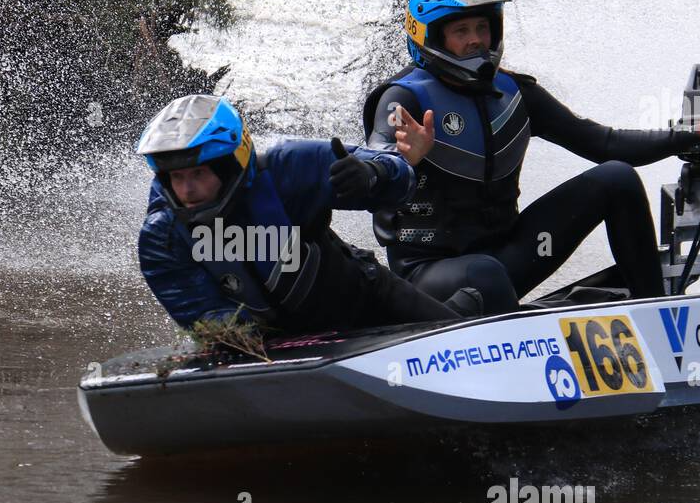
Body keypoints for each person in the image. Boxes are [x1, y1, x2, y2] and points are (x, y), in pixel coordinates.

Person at [363, 0, 700, 315]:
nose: (476, 39)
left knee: (616, 179)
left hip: (511, 257)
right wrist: (403, 161)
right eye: (461, 31)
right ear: (431, 37)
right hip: (431, 275)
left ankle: (657, 315)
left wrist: (695, 134)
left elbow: (603, 142)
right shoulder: (403, 100)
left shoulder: (514, 93)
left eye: (482, 27)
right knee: (485, 273)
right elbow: (368, 174)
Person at [136, 93, 483, 335]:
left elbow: (394, 172)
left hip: (365, 297)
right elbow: (200, 311)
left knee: (462, 337)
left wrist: (371, 175)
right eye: (177, 177)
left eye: (198, 174)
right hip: (277, 342)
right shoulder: (162, 236)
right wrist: (237, 342)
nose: (187, 190)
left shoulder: (287, 166)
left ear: (231, 165)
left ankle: (463, 310)